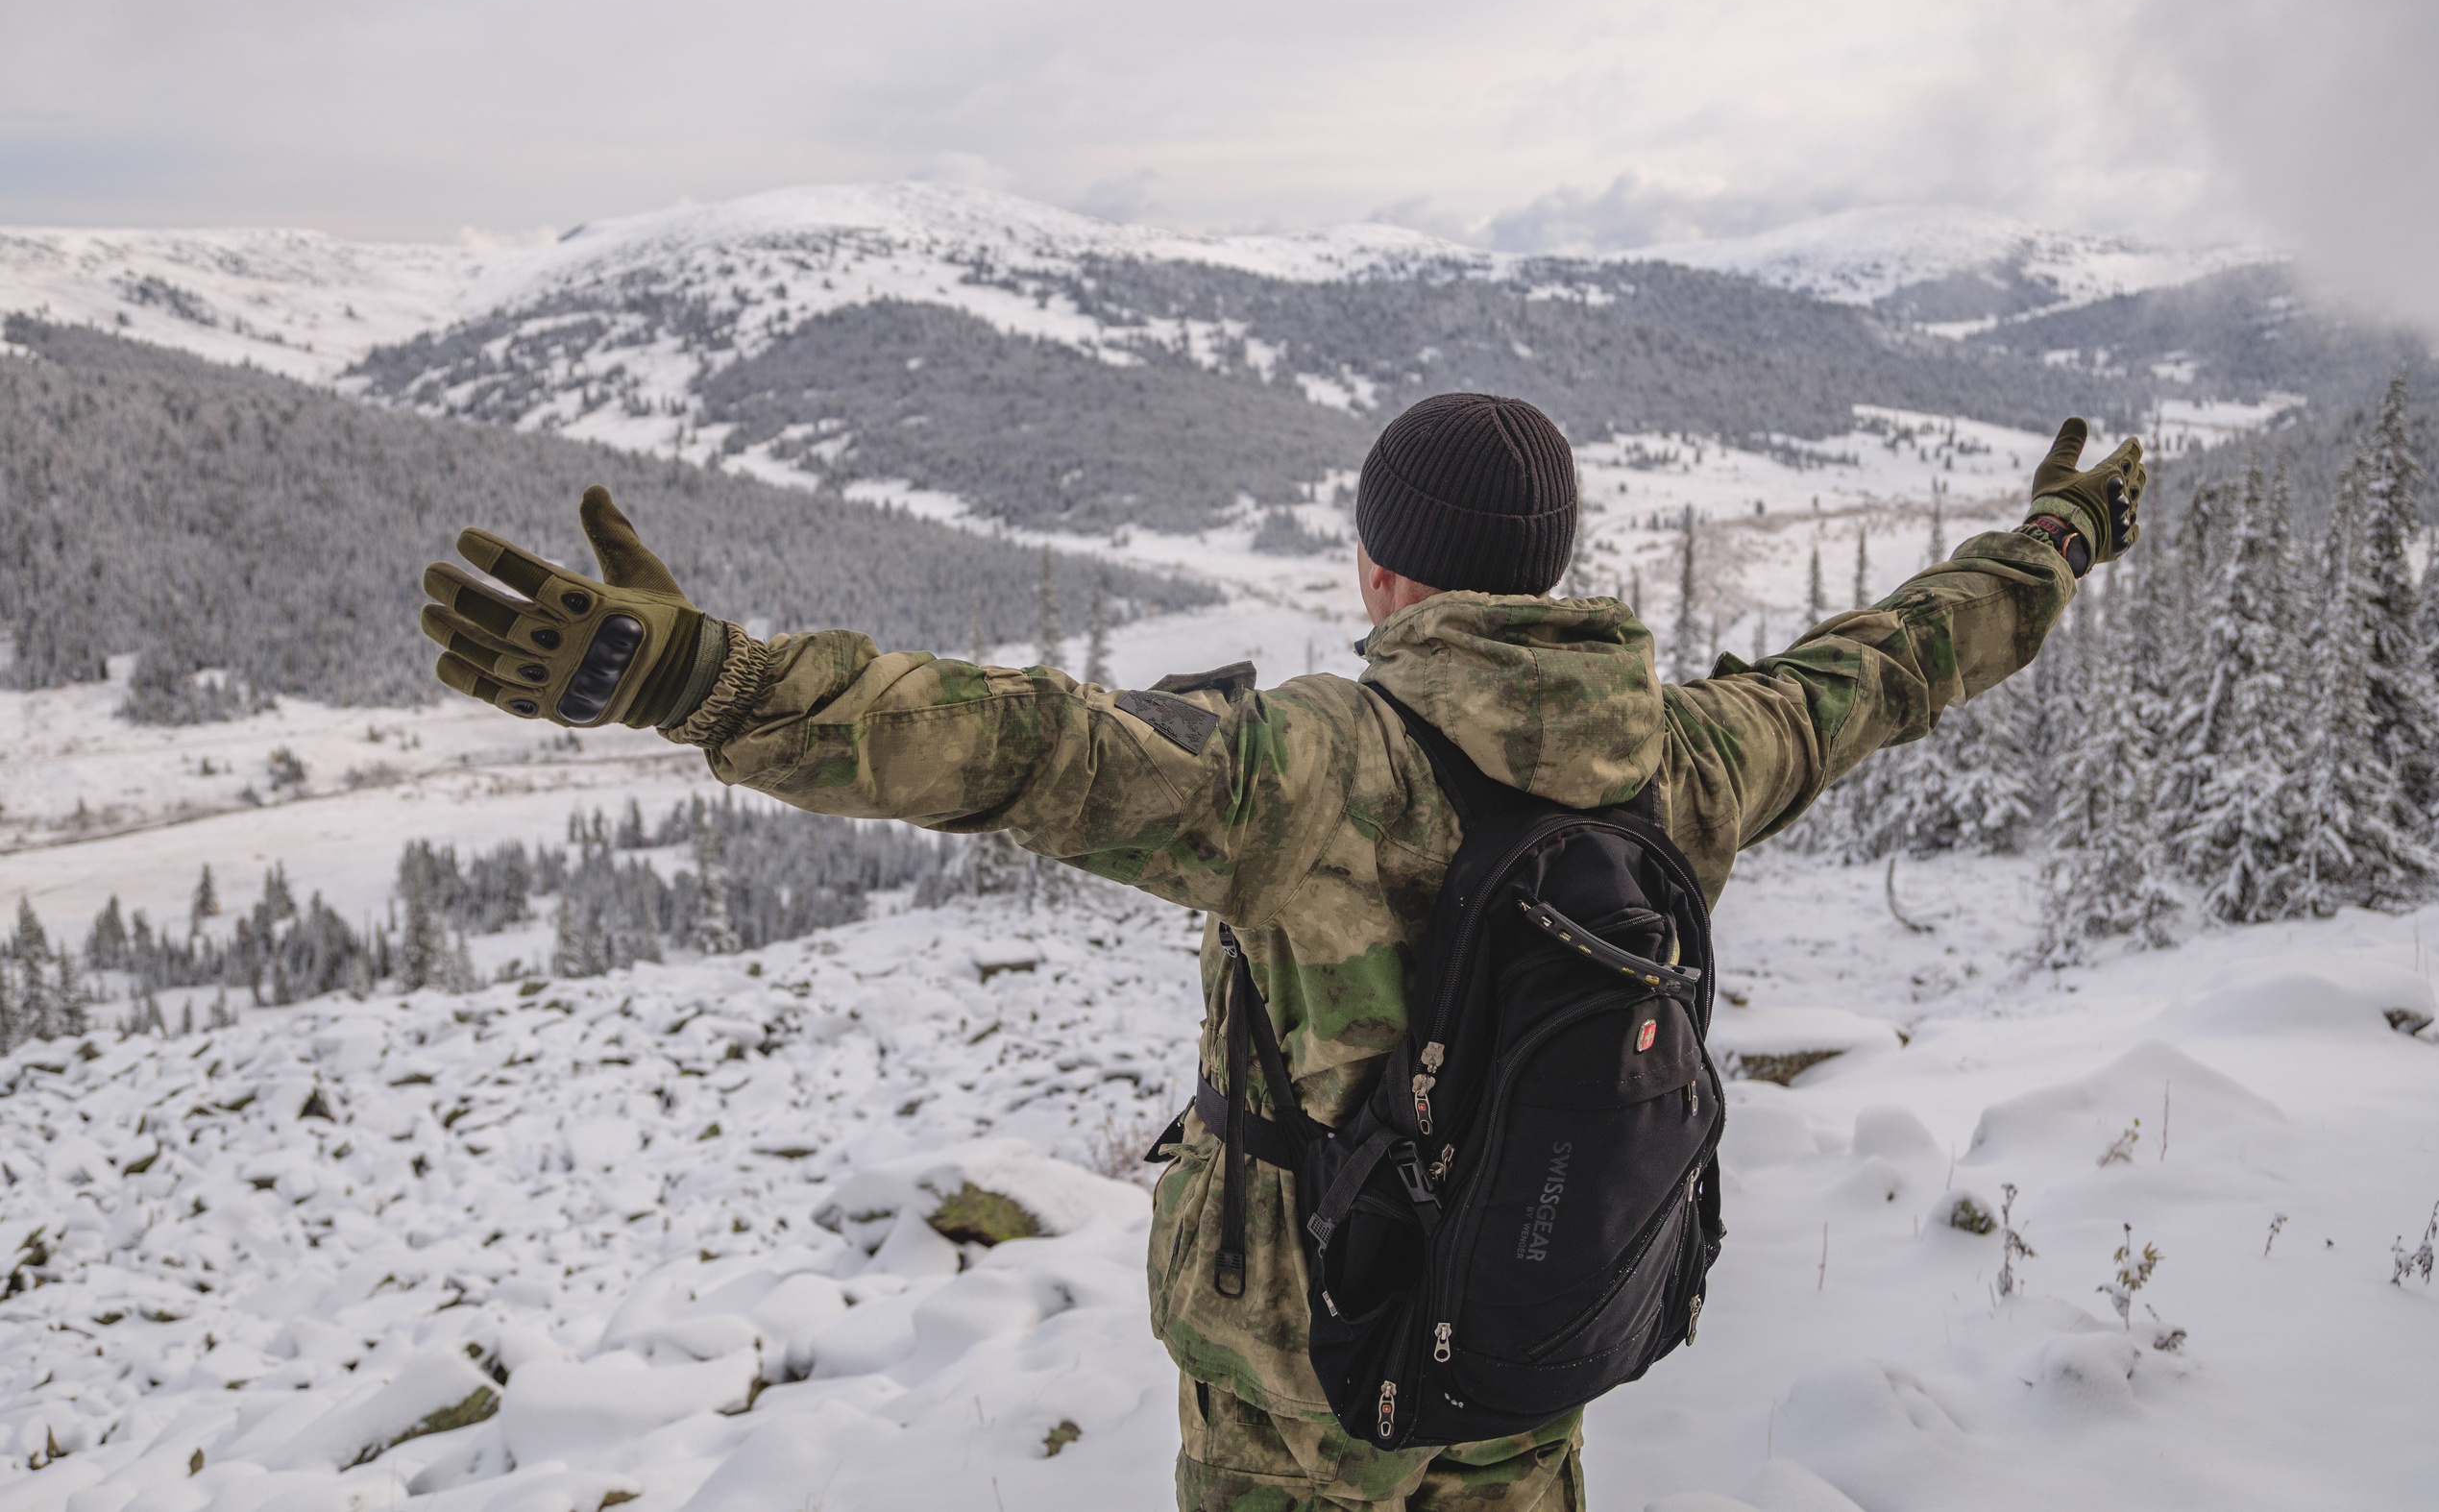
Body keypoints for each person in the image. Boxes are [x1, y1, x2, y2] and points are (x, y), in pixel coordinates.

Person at [417, 392, 2142, 1512]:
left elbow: (1018, 748)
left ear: (1388, 578)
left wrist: (702, 683)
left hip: (1297, 1400)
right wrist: (2057, 540)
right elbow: (1895, 663)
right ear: (1548, 571)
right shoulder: (1689, 756)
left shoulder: (1316, 768)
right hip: (1535, 1353)